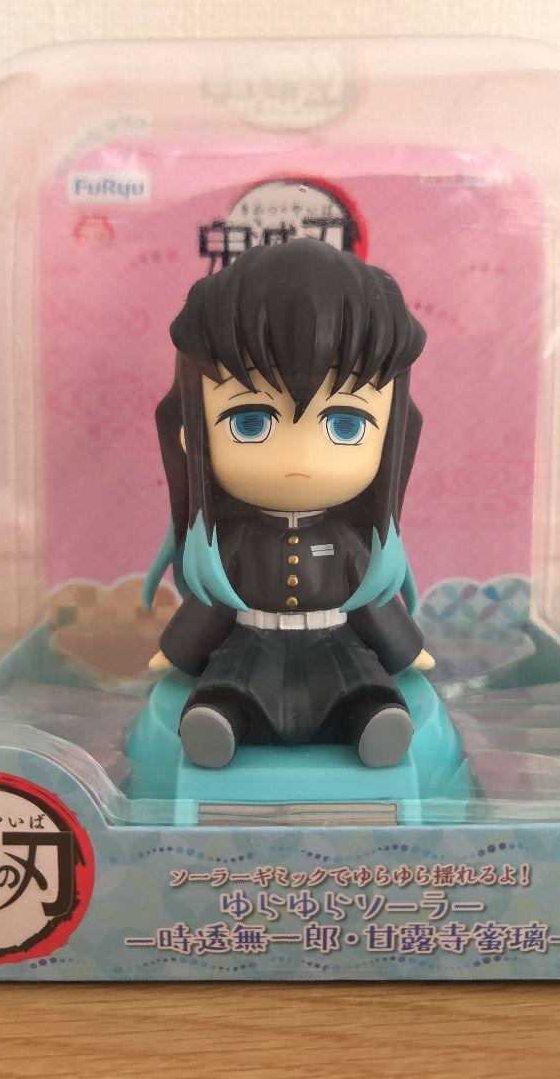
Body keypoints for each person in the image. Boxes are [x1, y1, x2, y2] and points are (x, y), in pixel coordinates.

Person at [143, 239, 433, 769]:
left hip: (335, 643)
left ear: (389, 435)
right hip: (251, 644)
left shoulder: (349, 544)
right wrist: (179, 649)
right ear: (193, 430)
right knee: (228, 690)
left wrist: (405, 649)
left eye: (345, 425)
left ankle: (375, 722)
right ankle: (216, 725)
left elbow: (370, 604)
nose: (300, 459)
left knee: (361, 689)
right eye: (250, 422)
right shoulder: (232, 543)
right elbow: (214, 605)